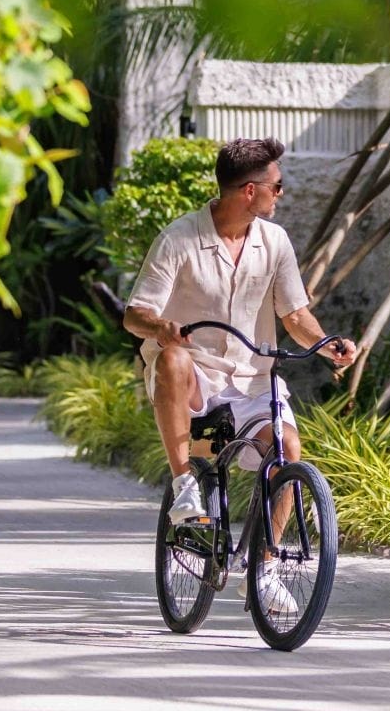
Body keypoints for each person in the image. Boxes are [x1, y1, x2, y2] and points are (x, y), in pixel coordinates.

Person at [122, 138, 357, 537]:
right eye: (277, 187)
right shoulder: (178, 239)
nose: (280, 195)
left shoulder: (275, 241)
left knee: (288, 452)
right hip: (195, 379)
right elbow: (134, 315)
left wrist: (326, 344)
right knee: (171, 358)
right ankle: (184, 487)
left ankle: (265, 566)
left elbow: (295, 314)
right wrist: (163, 329)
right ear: (251, 191)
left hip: (252, 382)